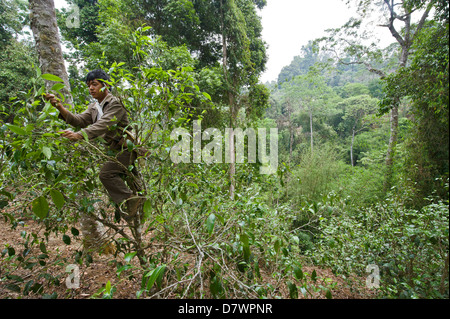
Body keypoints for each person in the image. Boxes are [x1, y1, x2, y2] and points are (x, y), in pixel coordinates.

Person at [44, 69, 141, 221]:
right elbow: (78, 120)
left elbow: (104, 124)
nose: (91, 88)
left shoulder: (116, 103)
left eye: (94, 84)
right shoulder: (94, 107)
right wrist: (59, 106)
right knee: (134, 184)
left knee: (106, 175)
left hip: (125, 148)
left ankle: (131, 201)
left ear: (105, 85)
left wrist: (80, 135)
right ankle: (135, 213)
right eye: (89, 85)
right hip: (111, 151)